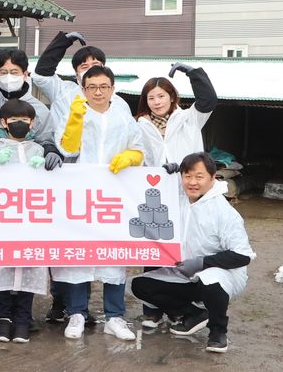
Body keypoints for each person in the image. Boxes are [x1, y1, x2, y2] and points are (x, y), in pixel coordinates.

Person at [0, 48, 64, 328]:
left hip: (28, 200)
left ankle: (23, 313)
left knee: (28, 254)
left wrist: (49, 152)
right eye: (3, 72)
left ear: (26, 73)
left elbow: (47, 139)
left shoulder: (40, 109)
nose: (8, 77)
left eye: (14, 72)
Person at [52, 65, 144, 341]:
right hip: (80, 193)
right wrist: (75, 120)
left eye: (104, 87)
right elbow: (67, 148)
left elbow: (139, 149)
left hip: (113, 194)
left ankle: (114, 317)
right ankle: (77, 313)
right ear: (83, 89)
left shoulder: (123, 116)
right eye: (91, 87)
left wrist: (130, 157)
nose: (98, 92)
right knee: (79, 253)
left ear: (113, 89)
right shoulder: (76, 112)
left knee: (113, 255)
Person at [131, 152, 255, 353]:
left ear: (212, 178)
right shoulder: (180, 199)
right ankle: (193, 313)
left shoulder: (223, 212)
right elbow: (148, 194)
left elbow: (242, 256)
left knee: (211, 279)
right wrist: (165, 176)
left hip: (221, 274)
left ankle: (217, 332)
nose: (192, 182)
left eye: (199, 176)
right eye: (187, 176)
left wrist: (202, 263)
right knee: (140, 285)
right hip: (186, 271)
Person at [135, 63, 218, 327]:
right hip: (156, 198)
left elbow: (209, 99)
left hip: (188, 196)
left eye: (161, 96)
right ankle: (152, 310)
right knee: (154, 249)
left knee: (182, 252)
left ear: (172, 97)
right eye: (151, 97)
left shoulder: (189, 119)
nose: (157, 102)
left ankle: (177, 307)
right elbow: (138, 158)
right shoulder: (140, 125)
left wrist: (193, 73)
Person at [0, 99, 52, 343]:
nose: (19, 124)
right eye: (14, 120)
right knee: (1, 264)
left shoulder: (38, 150)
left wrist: (42, 169)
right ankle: (3, 318)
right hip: (1, 220)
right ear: (3, 122)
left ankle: (23, 318)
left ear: (32, 123)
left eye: (24, 120)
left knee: (28, 264)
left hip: (31, 221)